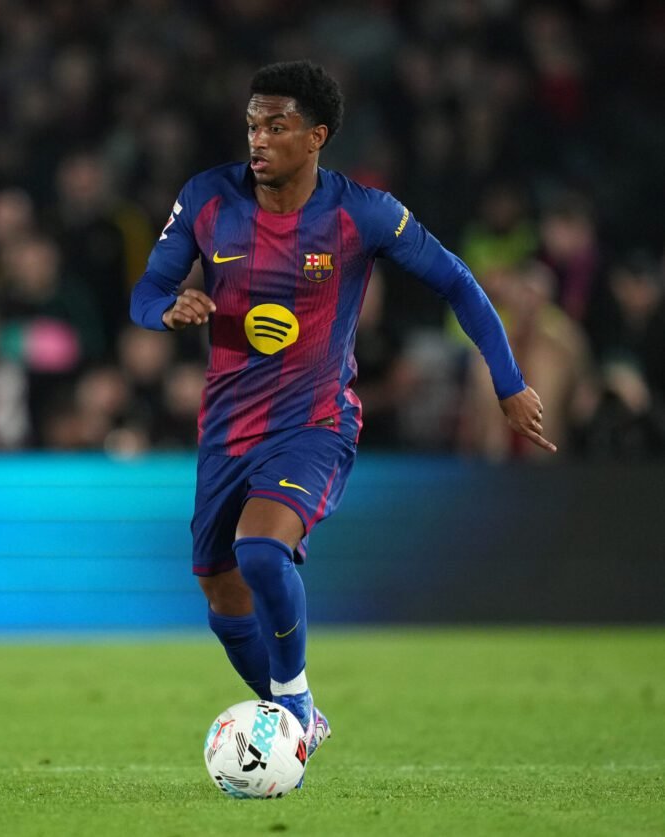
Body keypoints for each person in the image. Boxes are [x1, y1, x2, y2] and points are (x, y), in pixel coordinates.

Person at [129, 60, 553, 783]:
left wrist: (508, 382)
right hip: (227, 429)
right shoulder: (206, 198)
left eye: (277, 125)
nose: (259, 139)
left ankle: (293, 704)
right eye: (253, 124)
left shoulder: (365, 214)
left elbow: (459, 282)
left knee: (261, 552)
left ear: (317, 136)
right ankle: (297, 723)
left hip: (314, 421)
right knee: (222, 594)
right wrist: (168, 309)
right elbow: (147, 291)